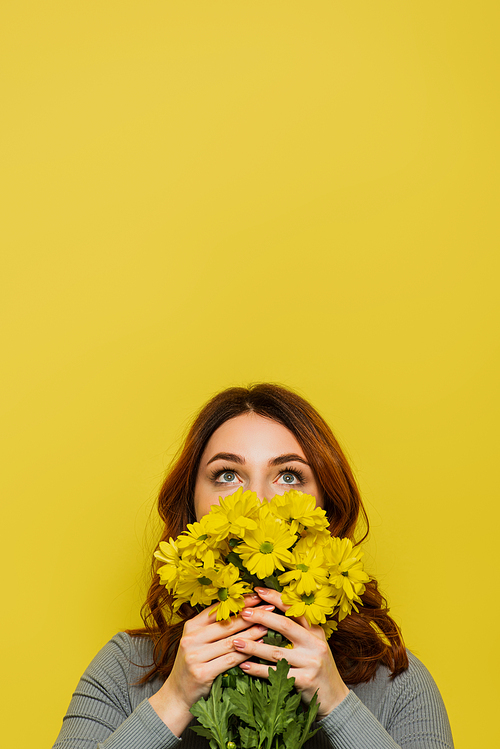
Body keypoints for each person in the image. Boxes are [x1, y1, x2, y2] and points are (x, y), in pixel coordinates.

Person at [53, 384, 454, 748]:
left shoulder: (396, 684)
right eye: (227, 475)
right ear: (190, 505)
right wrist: (172, 700)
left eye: (289, 477)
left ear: (326, 505)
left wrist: (337, 703)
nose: (258, 502)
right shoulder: (127, 669)